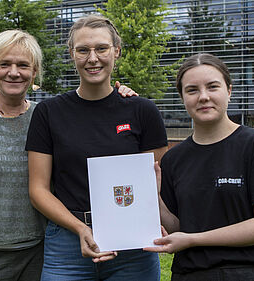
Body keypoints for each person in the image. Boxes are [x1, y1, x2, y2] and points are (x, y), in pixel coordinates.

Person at [0, 29, 138, 281]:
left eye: (23, 65)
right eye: (4, 64)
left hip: (40, 252)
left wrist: (121, 98)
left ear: (34, 73)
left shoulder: (50, 117)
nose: (14, 72)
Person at [25, 15, 168, 281]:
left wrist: (149, 218)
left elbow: (159, 178)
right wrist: (81, 228)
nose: (93, 58)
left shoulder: (142, 111)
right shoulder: (49, 113)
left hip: (132, 245)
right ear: (72, 54)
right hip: (67, 242)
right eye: (83, 50)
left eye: (101, 48)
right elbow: (38, 190)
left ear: (116, 51)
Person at [144, 53, 254, 281]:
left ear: (229, 91)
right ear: (182, 97)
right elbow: (179, 228)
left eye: (212, 87)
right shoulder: (174, 159)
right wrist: (156, 201)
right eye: (192, 90)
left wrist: (194, 240)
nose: (203, 97)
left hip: (250, 272)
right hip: (191, 274)